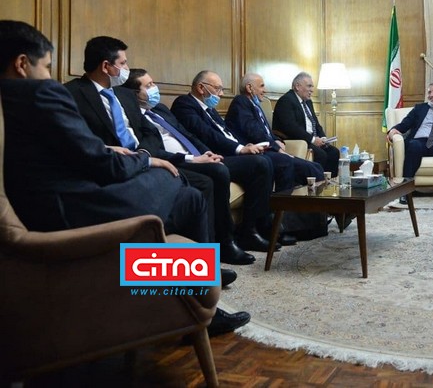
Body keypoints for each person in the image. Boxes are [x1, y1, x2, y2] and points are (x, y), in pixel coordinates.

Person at [0, 20, 249, 336]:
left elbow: (61, 148)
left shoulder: (10, 99)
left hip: (45, 205)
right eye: (47, 67)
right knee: (176, 183)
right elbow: (105, 166)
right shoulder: (41, 93)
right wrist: (145, 159)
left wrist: (111, 151)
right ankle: (197, 309)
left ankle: (193, 294)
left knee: (189, 198)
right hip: (73, 210)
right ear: (22, 64)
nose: (50, 76)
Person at [122, 68, 261, 265]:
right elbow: (150, 149)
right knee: (216, 173)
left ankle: (241, 236)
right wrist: (192, 159)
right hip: (175, 162)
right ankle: (222, 244)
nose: (155, 88)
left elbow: (188, 134)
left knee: (239, 166)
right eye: (149, 85)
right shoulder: (134, 116)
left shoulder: (160, 109)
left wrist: (207, 153)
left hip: (196, 157)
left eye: (153, 83)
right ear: (134, 93)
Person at [170, 70, 291, 248]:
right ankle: (250, 232)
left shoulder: (210, 110)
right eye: (218, 89)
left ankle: (261, 226)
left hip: (229, 152)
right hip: (215, 155)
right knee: (260, 163)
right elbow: (207, 134)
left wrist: (245, 145)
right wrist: (240, 149)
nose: (221, 94)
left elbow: (227, 132)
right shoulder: (185, 104)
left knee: (264, 160)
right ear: (201, 88)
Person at [226, 72, 331, 239]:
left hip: (267, 149)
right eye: (261, 86)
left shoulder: (255, 105)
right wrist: (276, 147)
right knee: (286, 163)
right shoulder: (241, 102)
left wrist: (277, 141)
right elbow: (253, 132)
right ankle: (281, 227)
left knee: (315, 168)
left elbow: (266, 132)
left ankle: (312, 225)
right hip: (255, 153)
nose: (265, 90)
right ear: (249, 88)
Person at [272, 71, 340, 175]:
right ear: (297, 86)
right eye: (309, 86)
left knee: (334, 152)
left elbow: (316, 124)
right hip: (297, 139)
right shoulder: (286, 101)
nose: (312, 90)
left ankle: (329, 183)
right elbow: (291, 127)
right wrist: (312, 139)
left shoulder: (308, 101)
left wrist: (323, 138)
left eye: (312, 86)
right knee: (321, 154)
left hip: (311, 139)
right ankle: (316, 183)